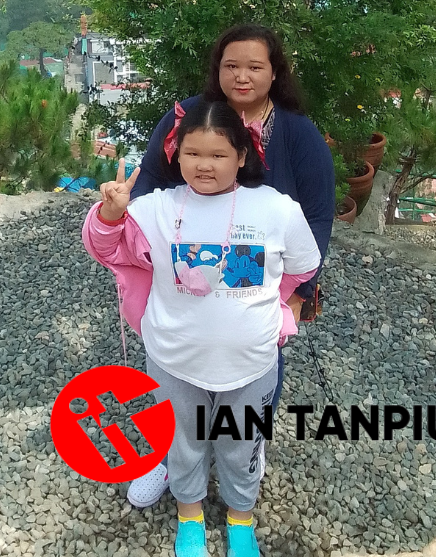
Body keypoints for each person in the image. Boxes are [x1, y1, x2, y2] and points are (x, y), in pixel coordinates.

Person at [83, 101, 320, 557]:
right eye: (193, 154)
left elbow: (304, 266)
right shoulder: (154, 208)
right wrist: (111, 214)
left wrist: (275, 309)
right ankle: (189, 517)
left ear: (243, 157)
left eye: (218, 155)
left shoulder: (276, 209)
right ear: (176, 154)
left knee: (241, 443)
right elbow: (104, 248)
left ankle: (240, 520)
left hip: (250, 363)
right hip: (174, 359)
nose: (204, 165)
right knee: (182, 441)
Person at [124, 25, 335, 508]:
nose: (241, 76)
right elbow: (150, 180)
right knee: (178, 383)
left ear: (274, 72)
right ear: (216, 69)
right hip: (187, 270)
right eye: (231, 65)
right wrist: (147, 241)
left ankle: (242, 458)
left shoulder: (296, 132)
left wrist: (299, 292)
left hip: (261, 275)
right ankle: (172, 459)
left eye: (255, 66)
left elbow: (318, 214)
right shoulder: (188, 117)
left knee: (255, 369)